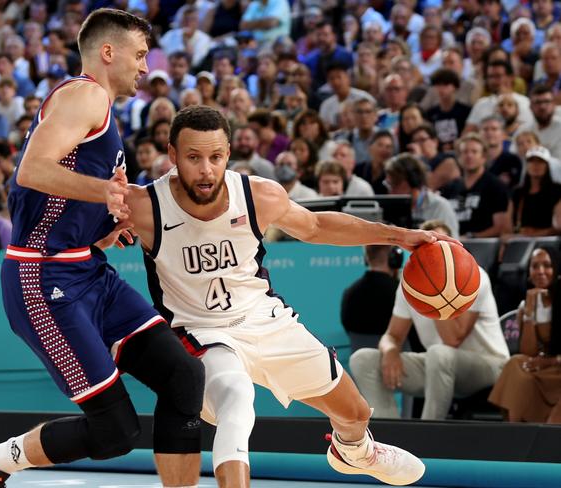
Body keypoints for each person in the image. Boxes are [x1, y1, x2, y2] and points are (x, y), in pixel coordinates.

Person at [104, 105, 448, 487]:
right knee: (237, 398)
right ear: (172, 155)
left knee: (356, 413)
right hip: (199, 331)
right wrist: (103, 229)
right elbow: (73, 233)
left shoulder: (258, 196)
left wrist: (398, 235)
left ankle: (354, 451)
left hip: (266, 320)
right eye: (193, 158)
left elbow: (316, 226)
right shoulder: (142, 205)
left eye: (216, 157)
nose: (206, 170)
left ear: (229, 153)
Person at [0, 10, 205, 488]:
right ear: (108, 52)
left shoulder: (100, 111)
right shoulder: (84, 94)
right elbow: (32, 170)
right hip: (41, 279)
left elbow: (59, 198)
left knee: (184, 377)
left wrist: (102, 228)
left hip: (88, 269)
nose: (146, 66)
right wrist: (102, 193)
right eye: (140, 54)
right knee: (115, 431)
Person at [350, 221, 510, 420]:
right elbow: (392, 335)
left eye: (442, 244)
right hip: (439, 368)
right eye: (430, 245)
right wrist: (390, 350)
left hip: (490, 365)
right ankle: (389, 439)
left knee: (439, 353)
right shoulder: (409, 285)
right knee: (363, 360)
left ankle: (427, 436)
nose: (436, 251)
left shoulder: (475, 276)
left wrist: (438, 289)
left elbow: (453, 339)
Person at [489, 246, 561, 423]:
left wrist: (549, 362)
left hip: (557, 367)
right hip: (544, 367)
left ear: (557, 269)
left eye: (547, 265)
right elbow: (528, 352)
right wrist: (529, 310)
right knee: (515, 363)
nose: (540, 271)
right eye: (535, 266)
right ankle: (515, 429)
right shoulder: (526, 305)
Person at [341, 245, 403, 353]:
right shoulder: (401, 293)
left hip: (361, 364)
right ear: (395, 259)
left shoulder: (349, 293)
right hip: (398, 362)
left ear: (366, 258)